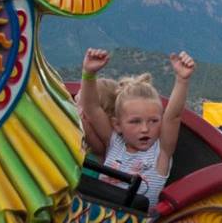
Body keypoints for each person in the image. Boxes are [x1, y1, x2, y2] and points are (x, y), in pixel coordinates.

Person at [79, 47, 195, 209]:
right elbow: (92, 108)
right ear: (117, 125)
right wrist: (89, 74)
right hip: (97, 215)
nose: (145, 129)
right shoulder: (113, 143)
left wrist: (182, 80)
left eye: (153, 121)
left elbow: (173, 116)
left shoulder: (160, 152)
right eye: (135, 122)